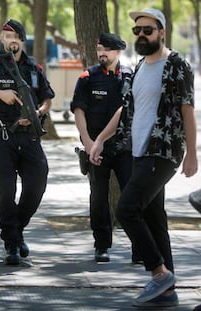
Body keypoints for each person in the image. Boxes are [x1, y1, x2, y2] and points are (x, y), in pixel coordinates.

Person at [89, 8, 197, 307]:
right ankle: (168, 292)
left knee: (126, 209)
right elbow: (125, 109)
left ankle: (159, 274)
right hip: (138, 151)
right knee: (154, 218)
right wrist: (100, 139)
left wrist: (192, 153)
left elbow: (187, 109)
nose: (141, 35)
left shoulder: (177, 65)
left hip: (162, 151)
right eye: (137, 30)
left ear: (161, 31)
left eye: (147, 30)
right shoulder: (138, 67)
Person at [0, 19, 55, 265]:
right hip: (3, 137)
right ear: (1, 40)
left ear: (21, 39)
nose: (10, 40)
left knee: (37, 184)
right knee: (5, 192)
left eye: (14, 35)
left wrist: (37, 113)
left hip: (29, 137)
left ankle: (16, 230)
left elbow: (47, 99)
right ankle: (12, 243)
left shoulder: (33, 67)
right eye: (5, 36)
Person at [71, 33, 139, 263]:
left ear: (117, 52)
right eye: (99, 49)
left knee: (131, 196)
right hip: (96, 149)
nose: (101, 53)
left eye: (106, 50)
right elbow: (78, 111)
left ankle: (139, 247)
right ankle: (101, 246)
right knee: (98, 197)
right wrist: (89, 143)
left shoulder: (130, 76)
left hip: (125, 148)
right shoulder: (88, 77)